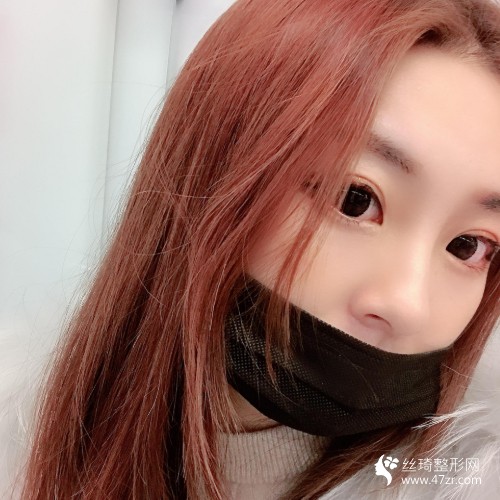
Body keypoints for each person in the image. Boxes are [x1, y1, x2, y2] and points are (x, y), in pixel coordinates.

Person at [16, 0, 500, 498]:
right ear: (213, 172)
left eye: (469, 246)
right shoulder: (22, 450)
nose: (408, 304)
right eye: (353, 199)